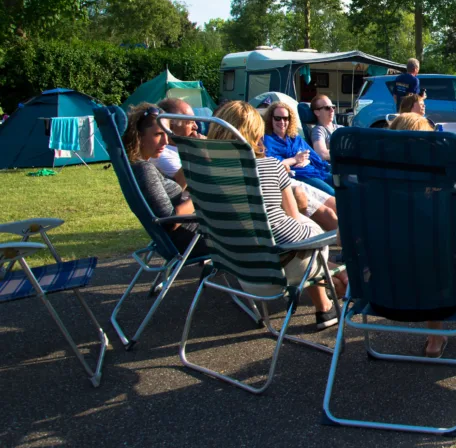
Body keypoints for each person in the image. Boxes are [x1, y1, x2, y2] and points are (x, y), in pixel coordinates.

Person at [209, 101, 343, 329]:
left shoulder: (204, 171)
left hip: (239, 268)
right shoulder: (269, 166)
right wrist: (326, 235)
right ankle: (327, 304)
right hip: (279, 269)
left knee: (307, 239)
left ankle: (331, 295)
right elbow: (295, 226)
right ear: (256, 132)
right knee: (311, 232)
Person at [388, 113, 456, 357]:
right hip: (438, 293)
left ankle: (435, 339)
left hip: (382, 291)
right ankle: (435, 340)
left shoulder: (366, 195)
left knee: (419, 258)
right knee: (441, 264)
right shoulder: (443, 196)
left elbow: (343, 241)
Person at [123, 103, 208, 257]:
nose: (166, 141)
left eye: (166, 134)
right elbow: (170, 221)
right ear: (138, 135)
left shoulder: (138, 166)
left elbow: (175, 187)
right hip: (195, 238)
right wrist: (202, 197)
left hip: (185, 236)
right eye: (158, 134)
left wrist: (191, 155)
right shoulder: (144, 169)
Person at [262, 103, 334, 196]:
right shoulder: (267, 140)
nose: (282, 122)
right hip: (298, 176)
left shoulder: (295, 137)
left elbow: (314, 156)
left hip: (314, 170)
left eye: (285, 118)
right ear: (270, 119)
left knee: (346, 185)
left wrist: (307, 160)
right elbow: (272, 165)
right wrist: (295, 160)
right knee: (334, 194)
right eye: (277, 118)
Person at [151, 98, 204, 188]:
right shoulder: (162, 154)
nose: (196, 126)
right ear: (170, 126)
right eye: (190, 122)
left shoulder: (182, 148)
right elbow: (179, 187)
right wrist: (197, 150)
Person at [309, 94, 342, 162]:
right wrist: (348, 154)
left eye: (333, 107)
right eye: (327, 108)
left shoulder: (341, 128)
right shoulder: (319, 130)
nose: (332, 110)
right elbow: (321, 153)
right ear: (317, 112)